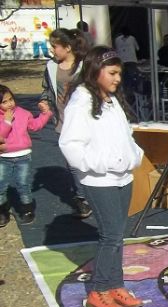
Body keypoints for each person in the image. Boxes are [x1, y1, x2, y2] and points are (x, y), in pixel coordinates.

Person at [59, 47, 145, 307]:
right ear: (96, 71)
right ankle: (98, 291)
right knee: (110, 235)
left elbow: (125, 135)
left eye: (118, 73)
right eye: (112, 73)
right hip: (99, 179)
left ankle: (115, 284)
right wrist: (99, 164)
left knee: (118, 235)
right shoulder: (81, 101)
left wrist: (134, 156)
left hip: (122, 177)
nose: (117, 78)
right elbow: (70, 144)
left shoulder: (110, 99)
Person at [41, 28, 92, 219]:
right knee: (72, 162)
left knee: (88, 158)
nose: (53, 50)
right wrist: (44, 101)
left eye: (55, 46)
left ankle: (93, 192)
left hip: (84, 119)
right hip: (62, 120)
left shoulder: (83, 65)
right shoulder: (50, 67)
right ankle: (82, 198)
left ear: (68, 47)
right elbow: (46, 88)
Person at [0, 85, 52, 226]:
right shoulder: (3, 118)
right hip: (4, 157)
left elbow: (35, 126)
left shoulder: (23, 113)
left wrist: (45, 114)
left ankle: (27, 210)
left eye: (11, 99)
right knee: (1, 185)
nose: (10, 104)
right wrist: (7, 121)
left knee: (23, 184)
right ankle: (2, 212)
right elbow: (1, 137)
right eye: (4, 102)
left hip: (23, 156)